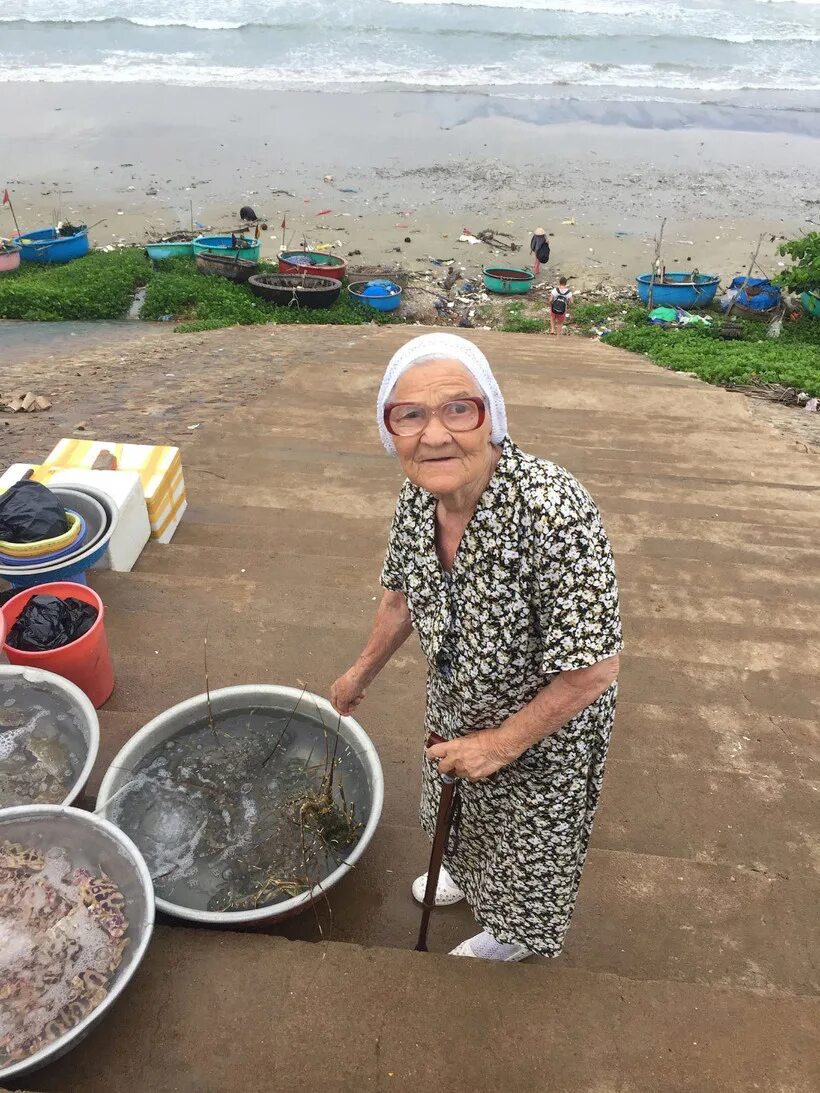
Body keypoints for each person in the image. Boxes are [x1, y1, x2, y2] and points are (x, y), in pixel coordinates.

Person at [331, 333, 622, 963]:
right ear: (391, 431)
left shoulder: (554, 510)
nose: (434, 435)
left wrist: (500, 743)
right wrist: (361, 671)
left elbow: (594, 670)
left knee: (528, 839)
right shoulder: (421, 495)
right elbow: (403, 594)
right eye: (409, 415)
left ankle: (513, 934)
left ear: (491, 416)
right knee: (455, 800)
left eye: (459, 409)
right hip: (457, 698)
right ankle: (462, 870)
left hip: (546, 727)